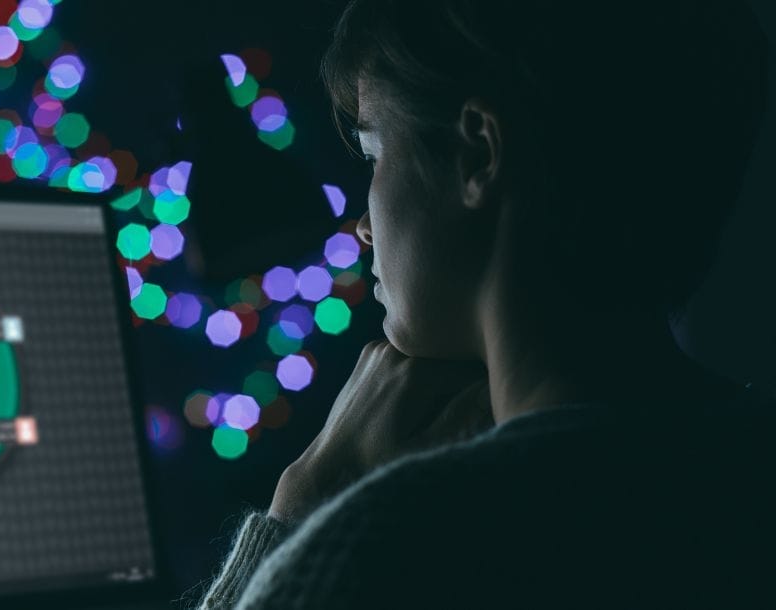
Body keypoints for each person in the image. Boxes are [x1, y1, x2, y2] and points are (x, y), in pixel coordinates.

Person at [186, 0, 775, 607]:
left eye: (373, 154)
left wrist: (300, 510)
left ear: (478, 154)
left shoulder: (385, 547)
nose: (362, 226)